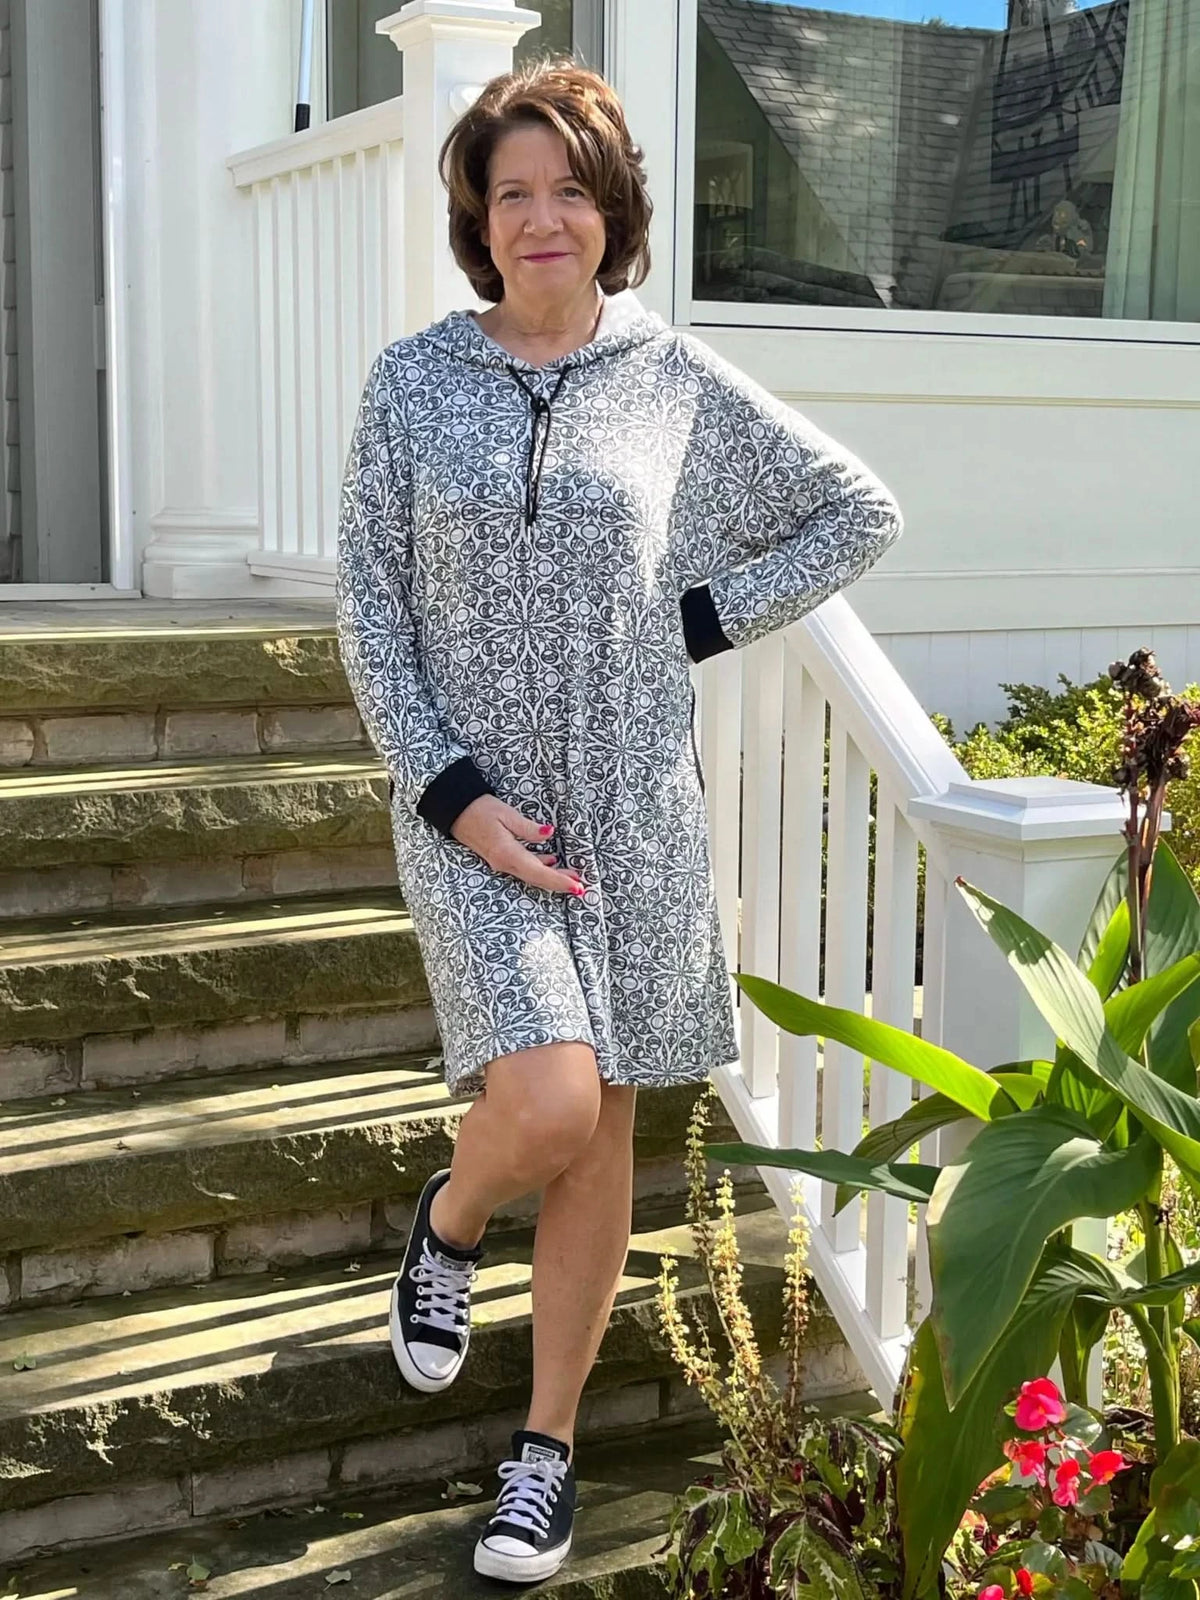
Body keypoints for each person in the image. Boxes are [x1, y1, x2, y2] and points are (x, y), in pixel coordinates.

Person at [334, 57, 901, 1585]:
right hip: (472, 809)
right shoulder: (412, 383)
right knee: (549, 1103)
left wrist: (693, 623)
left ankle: (546, 1454)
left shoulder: (670, 380)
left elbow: (855, 508)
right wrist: (452, 795)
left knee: (606, 1140)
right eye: (510, 193)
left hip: (634, 807)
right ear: (477, 217)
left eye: (568, 191)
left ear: (611, 210)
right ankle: (449, 1228)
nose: (540, 219)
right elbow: (370, 612)